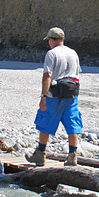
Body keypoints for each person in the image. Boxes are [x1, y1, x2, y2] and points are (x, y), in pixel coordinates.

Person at [26, 27, 82, 166]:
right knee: (72, 123)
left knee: (45, 121)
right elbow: (77, 73)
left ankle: (40, 154)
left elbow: (47, 76)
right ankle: (72, 156)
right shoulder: (73, 52)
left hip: (54, 95)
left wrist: (43, 96)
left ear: (51, 40)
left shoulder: (51, 54)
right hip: (71, 95)